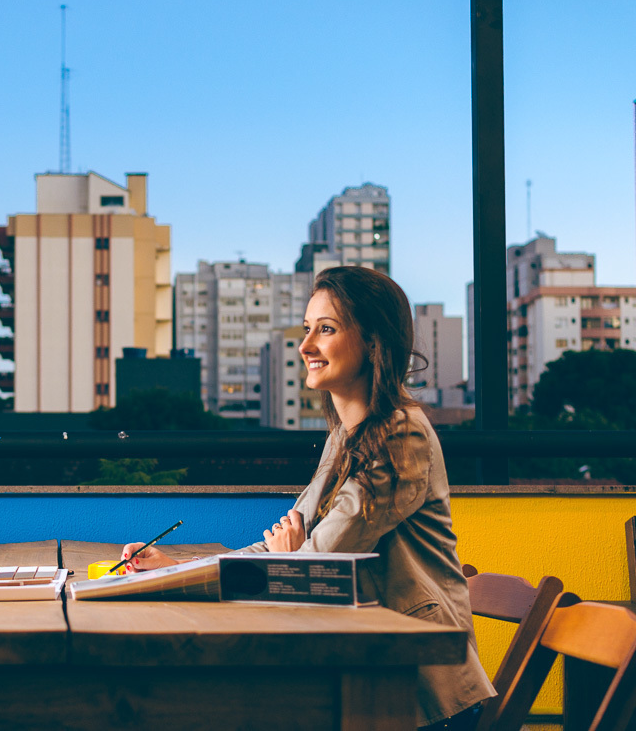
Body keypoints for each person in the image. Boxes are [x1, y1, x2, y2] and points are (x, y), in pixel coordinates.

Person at [120, 266, 494, 731]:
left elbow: (316, 565)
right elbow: (279, 552)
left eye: (327, 329)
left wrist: (291, 558)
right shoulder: (345, 438)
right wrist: (173, 570)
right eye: (306, 330)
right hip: (361, 669)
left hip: (420, 695)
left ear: (374, 342)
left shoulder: (402, 436)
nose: (306, 346)